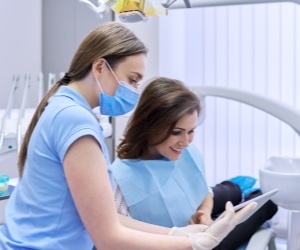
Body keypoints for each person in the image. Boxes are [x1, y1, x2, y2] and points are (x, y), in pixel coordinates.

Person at [0, 22, 256, 250]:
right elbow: (109, 238)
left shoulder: (65, 108)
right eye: (132, 80)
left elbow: (106, 218)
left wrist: (176, 233)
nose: (134, 91)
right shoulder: (74, 120)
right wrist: (192, 244)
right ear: (100, 66)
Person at [112, 77, 278, 250]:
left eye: (191, 131)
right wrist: (185, 236)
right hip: (185, 244)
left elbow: (204, 192)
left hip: (193, 213)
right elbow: (117, 235)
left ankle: (235, 189)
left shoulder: (180, 150)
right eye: (176, 132)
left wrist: (205, 212)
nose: (185, 141)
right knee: (267, 202)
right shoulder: (120, 182)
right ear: (150, 125)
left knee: (237, 192)